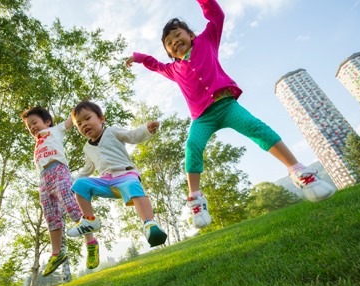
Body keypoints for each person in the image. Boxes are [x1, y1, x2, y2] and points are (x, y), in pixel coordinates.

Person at [125, 0, 335, 229]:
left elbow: (216, 15)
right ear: (168, 51)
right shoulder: (173, 70)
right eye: (169, 42)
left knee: (257, 128)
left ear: (191, 35)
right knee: (192, 147)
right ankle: (196, 199)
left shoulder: (207, 41)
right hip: (202, 118)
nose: (175, 42)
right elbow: (153, 64)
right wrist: (137, 57)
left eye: (178, 35)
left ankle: (299, 172)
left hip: (226, 106)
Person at [67, 100, 167, 247]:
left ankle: (149, 224)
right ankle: (89, 220)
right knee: (80, 185)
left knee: (133, 185)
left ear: (101, 119)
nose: (84, 125)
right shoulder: (87, 148)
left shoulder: (112, 132)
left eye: (87, 119)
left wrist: (146, 130)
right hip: (106, 182)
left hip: (126, 176)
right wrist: (74, 180)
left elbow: (132, 135)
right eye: (79, 124)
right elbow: (88, 168)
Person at [21, 107, 101, 276]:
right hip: (43, 179)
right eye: (29, 127)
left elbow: (72, 119)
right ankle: (57, 254)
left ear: (47, 122)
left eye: (34, 122)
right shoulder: (37, 143)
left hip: (59, 171)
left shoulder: (55, 130)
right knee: (50, 216)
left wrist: (82, 107)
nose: (32, 127)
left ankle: (91, 243)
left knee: (70, 204)